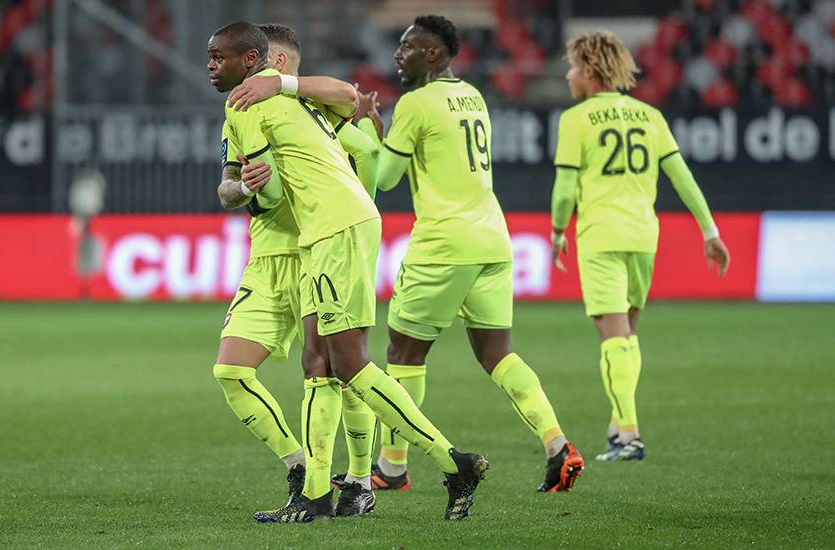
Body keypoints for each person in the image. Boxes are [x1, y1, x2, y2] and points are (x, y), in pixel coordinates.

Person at [220, 21, 489, 522]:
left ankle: (451, 463)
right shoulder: (311, 109)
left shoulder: (268, 103)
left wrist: (273, 188)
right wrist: (357, 187)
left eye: (224, 58)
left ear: (262, 64)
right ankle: (323, 491)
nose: (217, 67)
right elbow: (363, 147)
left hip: (330, 233)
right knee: (321, 366)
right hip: (334, 231)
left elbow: (275, 191)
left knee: (348, 364)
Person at [348, 15, 584, 493]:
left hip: (444, 243)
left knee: (404, 353)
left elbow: (386, 180)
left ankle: (392, 467)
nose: (398, 54)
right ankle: (557, 444)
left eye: (408, 46)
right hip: (493, 240)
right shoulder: (472, 95)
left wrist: (368, 132)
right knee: (498, 353)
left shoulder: (415, 104)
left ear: (434, 54)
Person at [207, 21, 380, 518]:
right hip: (265, 259)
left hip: (315, 251)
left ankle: (359, 478)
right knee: (231, 370)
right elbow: (226, 188)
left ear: (272, 64)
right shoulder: (239, 114)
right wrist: (243, 188)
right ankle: (300, 467)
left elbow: (366, 145)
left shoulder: (316, 108)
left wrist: (356, 205)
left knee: (335, 370)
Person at [550, 31, 731, 461]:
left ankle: (629, 435)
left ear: (590, 72)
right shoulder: (650, 116)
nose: (569, 75)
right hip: (644, 237)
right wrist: (710, 231)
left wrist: (558, 230)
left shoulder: (575, 119)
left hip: (600, 235)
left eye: (574, 67)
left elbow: (563, 188)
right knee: (628, 336)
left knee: (611, 337)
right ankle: (618, 427)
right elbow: (682, 177)